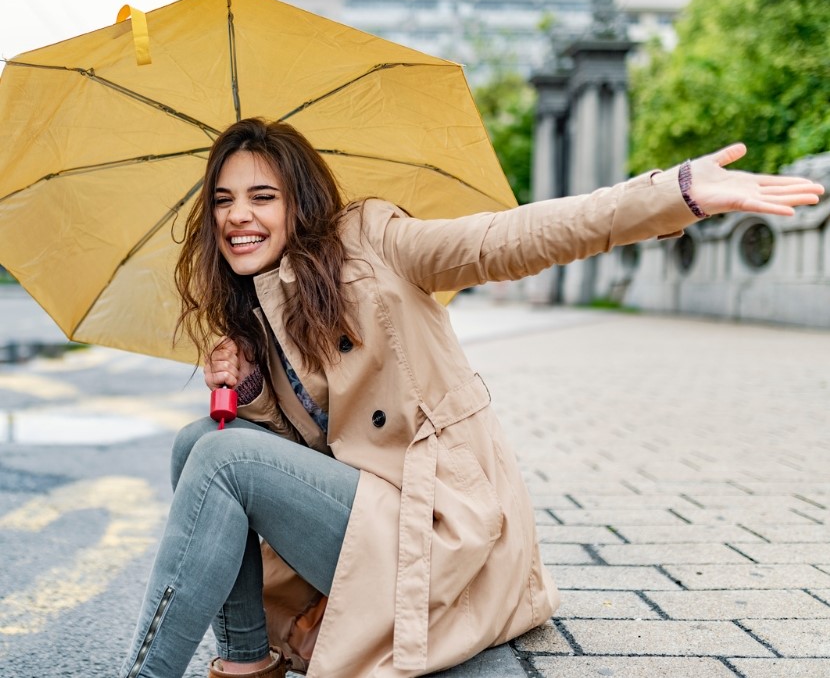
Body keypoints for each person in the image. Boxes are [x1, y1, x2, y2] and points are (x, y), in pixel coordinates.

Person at [120, 118, 823, 678]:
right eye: (223, 200)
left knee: (217, 459)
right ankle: (248, 661)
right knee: (201, 442)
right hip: (369, 517)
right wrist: (247, 391)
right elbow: (304, 455)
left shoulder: (374, 242)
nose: (237, 216)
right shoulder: (254, 310)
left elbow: (507, 239)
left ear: (299, 203)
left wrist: (672, 195)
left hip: (440, 527)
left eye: (261, 197)